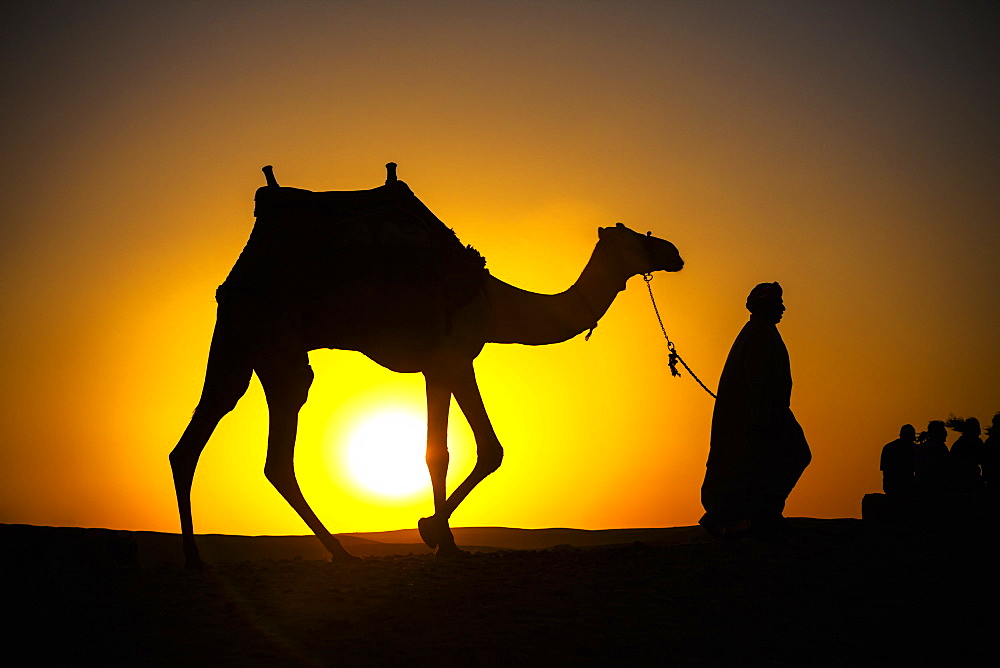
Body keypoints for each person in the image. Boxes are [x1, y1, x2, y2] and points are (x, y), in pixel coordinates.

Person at [700, 282, 811, 538]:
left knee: (753, 466)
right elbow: (762, 382)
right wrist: (764, 420)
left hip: (762, 413)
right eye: (777, 304)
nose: (783, 308)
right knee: (788, 456)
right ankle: (756, 516)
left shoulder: (758, 333)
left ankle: (748, 516)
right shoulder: (760, 335)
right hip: (761, 415)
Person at [912, 420, 949, 500]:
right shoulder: (940, 448)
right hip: (935, 491)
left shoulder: (920, 448)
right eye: (943, 431)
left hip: (920, 489)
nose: (946, 434)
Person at [946, 416, 984, 491]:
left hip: (959, 482)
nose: (980, 432)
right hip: (969, 481)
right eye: (977, 428)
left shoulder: (958, 444)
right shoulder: (975, 443)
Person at [880, 424, 916, 497]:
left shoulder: (888, 447)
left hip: (889, 487)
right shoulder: (913, 449)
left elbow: (884, 470)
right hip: (905, 488)